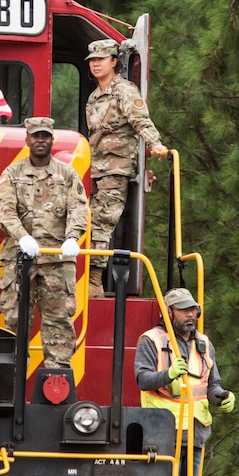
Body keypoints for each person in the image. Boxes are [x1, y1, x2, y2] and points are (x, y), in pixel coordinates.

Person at [135, 288, 236, 476]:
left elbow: (212, 384)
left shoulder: (204, 344)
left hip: (195, 436)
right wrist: (167, 375)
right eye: (184, 310)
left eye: (193, 309)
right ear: (169, 313)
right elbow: (141, 379)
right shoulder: (151, 340)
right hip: (163, 435)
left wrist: (221, 397)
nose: (191, 315)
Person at [0, 117, 89, 368]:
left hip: (57, 260)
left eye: (45, 136)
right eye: (36, 136)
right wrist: (22, 236)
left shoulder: (67, 174)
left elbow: (79, 209)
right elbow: (4, 211)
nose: (40, 140)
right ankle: (12, 383)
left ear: (52, 140)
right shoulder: (12, 174)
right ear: (27, 140)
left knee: (58, 322)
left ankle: (56, 383)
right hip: (19, 258)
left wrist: (72, 236)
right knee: (14, 321)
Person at [84, 38, 168, 297]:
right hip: (95, 170)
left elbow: (140, 120)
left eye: (101, 59)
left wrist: (156, 144)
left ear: (114, 62)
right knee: (86, 220)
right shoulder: (95, 96)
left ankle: (94, 281)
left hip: (116, 169)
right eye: (92, 61)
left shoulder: (124, 90)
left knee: (102, 223)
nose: (96, 64)